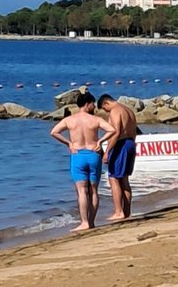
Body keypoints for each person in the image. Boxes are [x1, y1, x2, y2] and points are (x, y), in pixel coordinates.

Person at [49, 92, 115, 232]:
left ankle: (84, 222)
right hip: (93, 154)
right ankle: (91, 222)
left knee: (82, 191)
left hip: (78, 155)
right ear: (87, 103)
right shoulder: (95, 119)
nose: (94, 107)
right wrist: (100, 141)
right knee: (94, 191)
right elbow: (112, 130)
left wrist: (68, 143)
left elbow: (54, 132)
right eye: (92, 104)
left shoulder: (70, 120)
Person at [97, 93, 137, 221]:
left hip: (121, 144)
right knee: (124, 179)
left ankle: (118, 211)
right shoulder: (128, 110)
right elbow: (134, 131)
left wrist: (107, 151)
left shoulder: (115, 111)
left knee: (113, 177)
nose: (106, 112)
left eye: (105, 109)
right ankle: (127, 211)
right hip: (131, 142)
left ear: (106, 103)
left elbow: (116, 132)